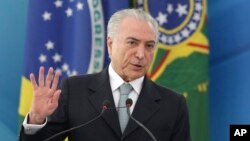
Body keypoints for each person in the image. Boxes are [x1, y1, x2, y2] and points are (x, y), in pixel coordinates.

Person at [19, 9, 191, 141]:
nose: (141, 54)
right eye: (132, 42)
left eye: (149, 46)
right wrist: (36, 119)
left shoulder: (174, 105)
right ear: (110, 44)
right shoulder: (74, 90)